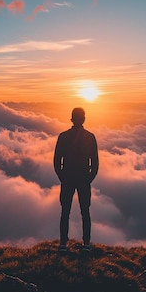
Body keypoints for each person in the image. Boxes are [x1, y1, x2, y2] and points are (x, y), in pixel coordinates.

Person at [53, 107, 99, 252]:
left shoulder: (63, 136)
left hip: (68, 179)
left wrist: (62, 176)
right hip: (83, 179)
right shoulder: (90, 137)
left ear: (71, 119)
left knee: (65, 211)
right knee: (85, 212)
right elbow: (95, 162)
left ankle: (63, 244)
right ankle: (86, 244)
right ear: (84, 119)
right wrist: (88, 178)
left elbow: (57, 160)